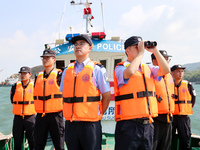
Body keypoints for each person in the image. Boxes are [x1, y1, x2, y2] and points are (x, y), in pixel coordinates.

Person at [114, 36, 170, 150]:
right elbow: (129, 72)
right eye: (137, 47)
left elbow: (165, 70)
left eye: (141, 47)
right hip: (128, 125)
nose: (141, 50)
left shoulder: (148, 68)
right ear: (127, 50)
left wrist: (155, 51)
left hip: (148, 125)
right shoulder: (120, 68)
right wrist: (141, 54)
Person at [59, 34, 111, 150]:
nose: (78, 46)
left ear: (90, 47)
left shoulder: (97, 69)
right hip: (71, 123)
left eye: (82, 43)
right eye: (76, 44)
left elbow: (106, 96)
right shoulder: (67, 70)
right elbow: (64, 95)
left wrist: (98, 113)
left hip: (90, 123)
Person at [34, 49, 64, 150]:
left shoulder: (59, 75)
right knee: (38, 144)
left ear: (54, 60)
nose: (45, 60)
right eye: (43, 58)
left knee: (59, 144)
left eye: (47, 58)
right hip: (41, 116)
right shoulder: (38, 76)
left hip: (56, 115)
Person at [151, 50, 175, 150]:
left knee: (166, 147)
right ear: (154, 62)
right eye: (163, 60)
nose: (166, 62)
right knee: (153, 146)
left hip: (168, 118)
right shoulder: (150, 75)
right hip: (155, 118)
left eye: (167, 60)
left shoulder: (169, 76)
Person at [171, 64, 196, 150]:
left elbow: (193, 99)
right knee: (168, 140)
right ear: (172, 73)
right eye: (178, 71)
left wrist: (185, 109)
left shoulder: (188, 85)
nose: (181, 73)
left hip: (184, 117)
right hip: (171, 117)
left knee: (185, 140)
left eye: (182, 71)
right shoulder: (168, 85)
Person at [10, 66, 36, 150]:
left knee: (33, 142)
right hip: (18, 118)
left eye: (25, 73)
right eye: (21, 73)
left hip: (31, 117)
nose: (23, 75)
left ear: (30, 74)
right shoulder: (15, 86)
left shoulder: (34, 86)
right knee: (17, 142)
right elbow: (12, 99)